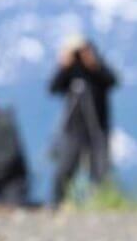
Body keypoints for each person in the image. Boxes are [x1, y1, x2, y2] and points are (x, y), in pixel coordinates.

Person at [48, 35, 118, 206]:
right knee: (65, 169)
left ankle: (102, 202)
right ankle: (59, 203)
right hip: (73, 130)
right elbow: (53, 87)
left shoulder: (96, 69)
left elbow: (112, 81)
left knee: (100, 171)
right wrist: (64, 64)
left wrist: (94, 64)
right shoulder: (71, 71)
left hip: (98, 128)